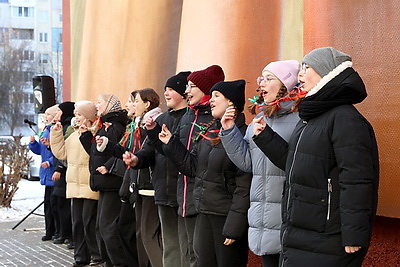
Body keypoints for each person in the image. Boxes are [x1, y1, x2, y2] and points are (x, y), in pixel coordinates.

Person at [252, 47, 379, 266]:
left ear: (326, 72)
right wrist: (265, 137)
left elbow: (357, 180)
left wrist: (354, 234)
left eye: (306, 67)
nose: (300, 75)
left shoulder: (345, 119)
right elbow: (295, 166)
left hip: (329, 236)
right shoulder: (310, 118)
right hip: (302, 232)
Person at [158, 80, 251, 267]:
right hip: (204, 212)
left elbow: (244, 186)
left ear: (231, 103)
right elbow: (192, 168)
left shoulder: (243, 134)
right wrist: (171, 144)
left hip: (225, 218)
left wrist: (234, 226)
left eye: (217, 96)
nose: (211, 100)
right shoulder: (210, 131)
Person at [219, 60, 300, 267]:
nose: (261, 84)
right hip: (262, 219)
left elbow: (298, 164)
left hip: (289, 217)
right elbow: (248, 163)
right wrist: (229, 131)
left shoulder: (301, 118)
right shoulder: (261, 117)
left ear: (286, 84)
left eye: (268, 78)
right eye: (260, 79)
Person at [123, 72, 191, 267]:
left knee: (186, 248)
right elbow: (149, 151)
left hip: (185, 193)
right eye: (166, 89)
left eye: (171, 89)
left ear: (183, 92)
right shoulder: (162, 119)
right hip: (163, 192)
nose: (166, 93)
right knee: (170, 247)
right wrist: (136, 159)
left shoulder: (191, 118)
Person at [97, 88, 163, 267]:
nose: (130, 105)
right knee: (140, 234)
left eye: (135, 101)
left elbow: (145, 154)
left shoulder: (153, 123)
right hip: (137, 183)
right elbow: (128, 152)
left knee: (148, 235)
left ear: (147, 104)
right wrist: (107, 146)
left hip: (149, 184)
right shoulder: (135, 125)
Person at [50, 100, 102, 267]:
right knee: (77, 222)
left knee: (89, 221)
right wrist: (57, 134)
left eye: (79, 114)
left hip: (89, 184)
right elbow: (61, 153)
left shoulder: (95, 133)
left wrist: (88, 134)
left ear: (87, 116)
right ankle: (80, 257)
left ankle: (96, 254)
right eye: (76, 114)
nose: (76, 117)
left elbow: (95, 153)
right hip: (74, 184)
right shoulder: (73, 134)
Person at [79, 94, 129, 267]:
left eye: (99, 102)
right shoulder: (104, 125)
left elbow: (121, 150)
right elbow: (96, 152)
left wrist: (109, 166)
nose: (96, 105)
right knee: (102, 227)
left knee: (108, 228)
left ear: (109, 105)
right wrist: (85, 135)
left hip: (111, 182)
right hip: (104, 182)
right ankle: (109, 262)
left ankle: (119, 263)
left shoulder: (114, 126)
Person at [28, 104, 59, 242]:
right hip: (46, 172)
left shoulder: (56, 129)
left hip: (54, 171)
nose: (46, 117)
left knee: (54, 204)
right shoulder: (45, 130)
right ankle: (49, 230)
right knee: (48, 203)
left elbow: (59, 151)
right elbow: (41, 149)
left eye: (48, 115)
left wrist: (50, 162)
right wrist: (33, 144)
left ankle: (56, 231)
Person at [51, 101, 75, 247]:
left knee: (66, 207)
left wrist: (59, 168)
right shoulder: (61, 126)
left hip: (66, 171)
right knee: (58, 204)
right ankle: (62, 232)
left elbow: (66, 151)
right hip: (63, 170)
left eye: (59, 111)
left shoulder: (69, 128)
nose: (56, 115)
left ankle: (67, 234)